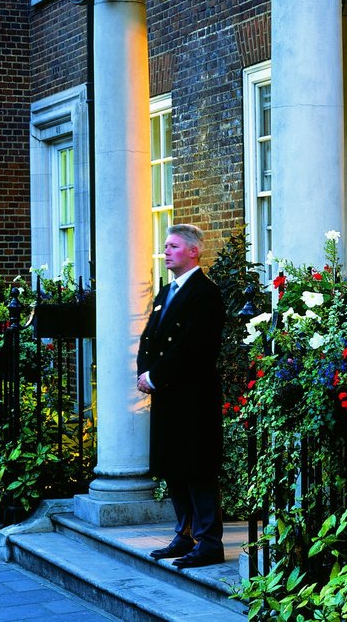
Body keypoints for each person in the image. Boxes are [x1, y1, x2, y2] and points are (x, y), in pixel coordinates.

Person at [137, 223, 227, 568]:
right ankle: (184, 533)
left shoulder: (205, 293)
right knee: (173, 466)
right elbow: (150, 338)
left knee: (197, 467)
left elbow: (193, 347)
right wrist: (145, 372)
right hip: (167, 395)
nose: (166, 251)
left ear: (194, 251)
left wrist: (155, 376)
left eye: (173, 246)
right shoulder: (167, 292)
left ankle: (208, 542)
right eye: (165, 246)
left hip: (194, 396)